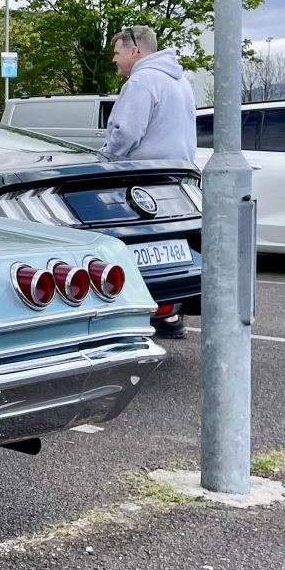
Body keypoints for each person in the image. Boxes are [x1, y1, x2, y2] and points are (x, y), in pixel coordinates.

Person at [101, 24, 198, 339]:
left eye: (117, 53)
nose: (114, 60)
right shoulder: (180, 81)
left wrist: (106, 159)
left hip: (143, 181)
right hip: (177, 179)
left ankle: (132, 316)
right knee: (169, 249)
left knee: (130, 250)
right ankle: (169, 316)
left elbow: (126, 132)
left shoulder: (142, 81)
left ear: (135, 50)